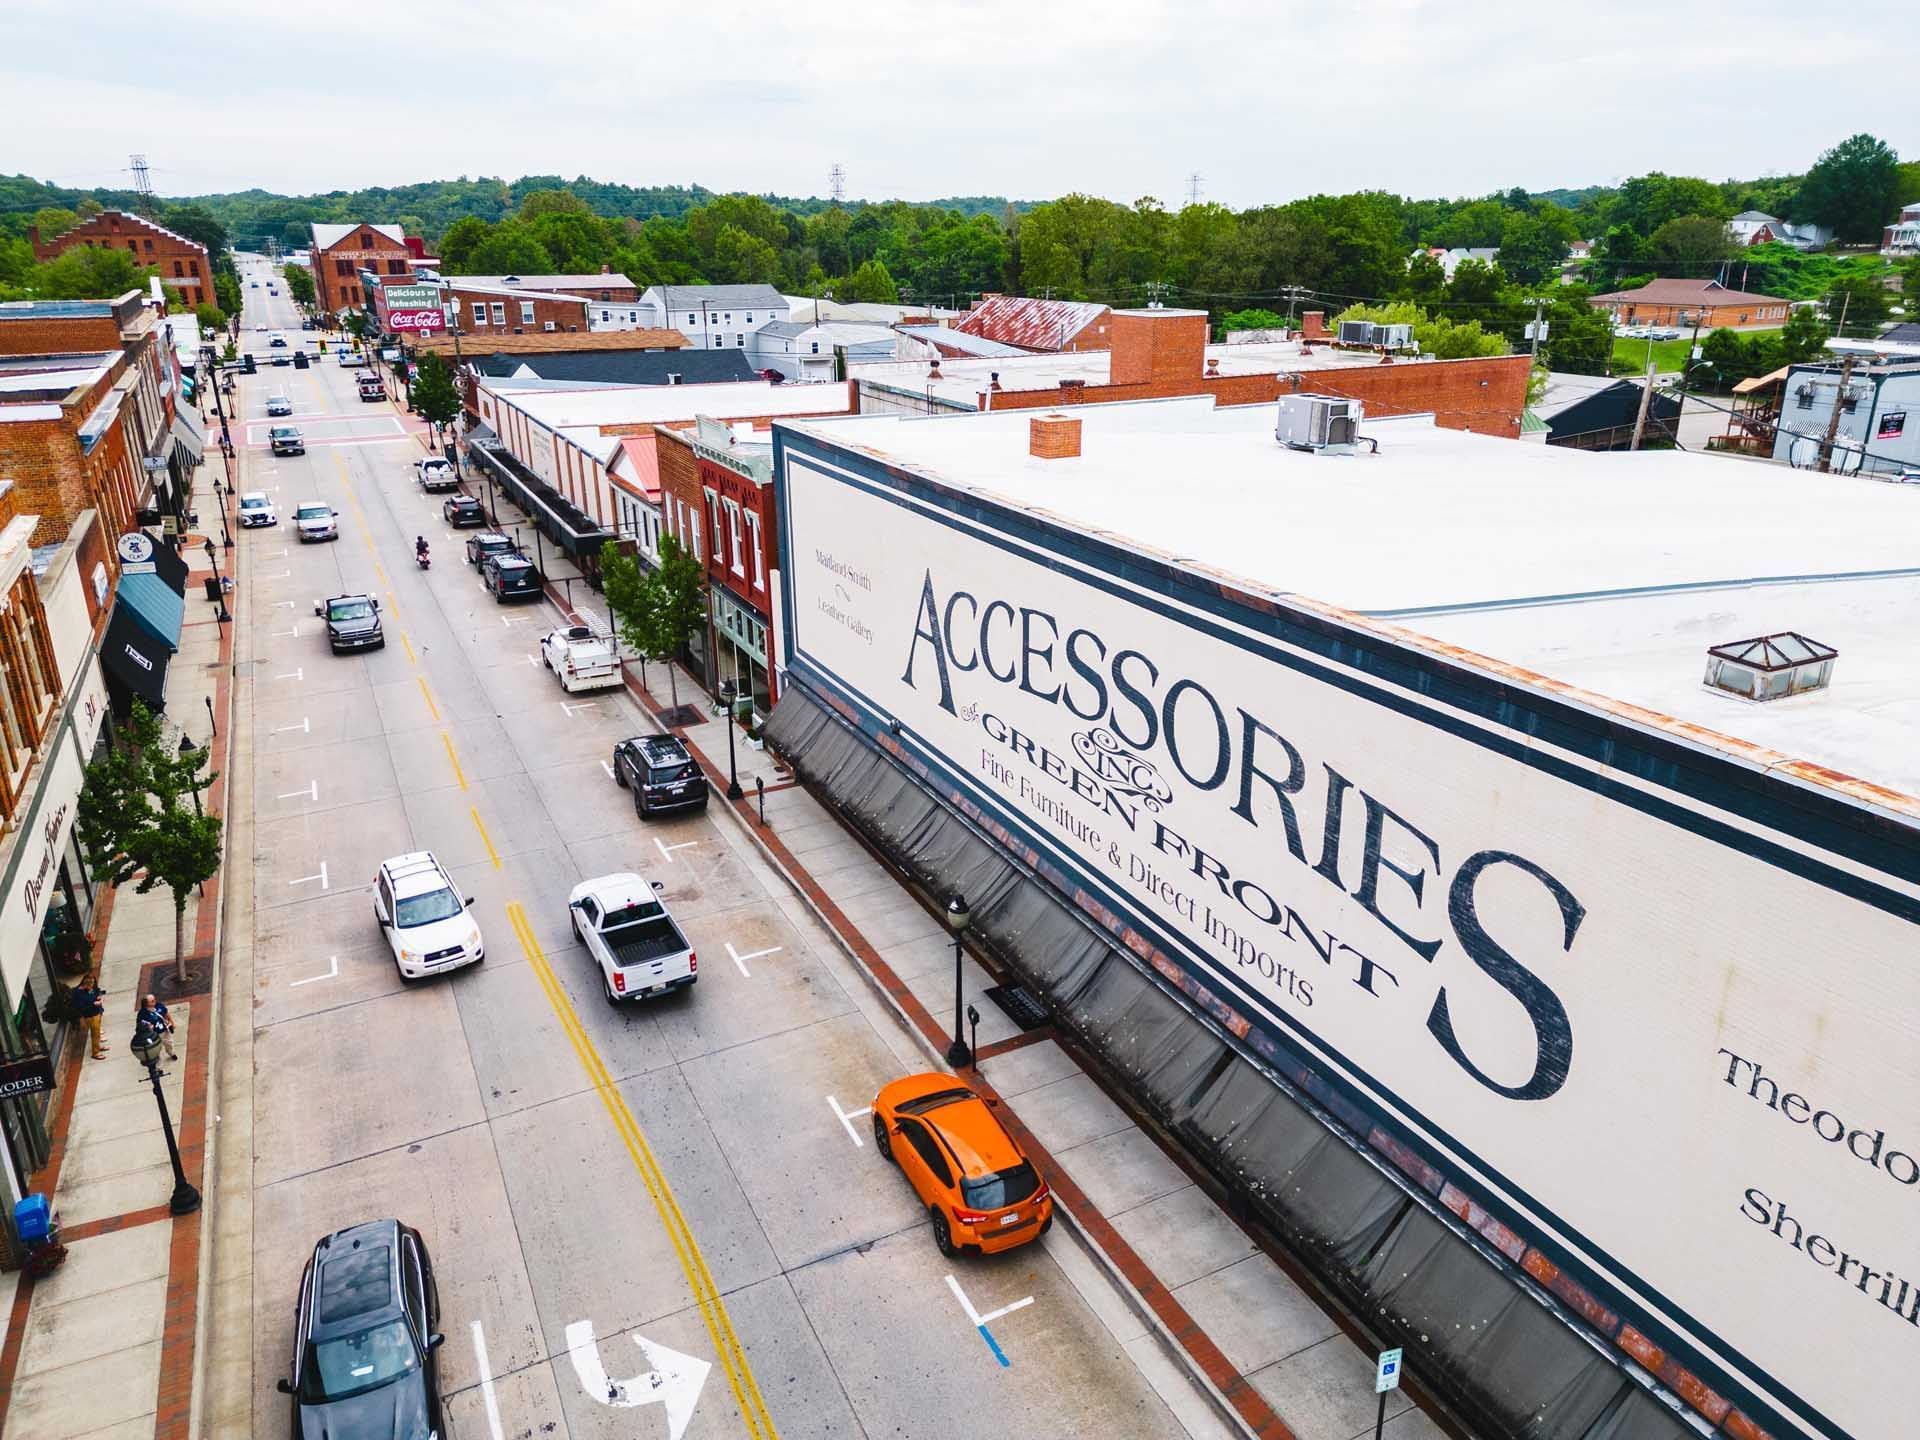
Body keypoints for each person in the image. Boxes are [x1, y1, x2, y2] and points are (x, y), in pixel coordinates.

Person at [70, 974, 107, 1059]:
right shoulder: (78, 993)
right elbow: (82, 1007)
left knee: (97, 1033)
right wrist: (93, 1004)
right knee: (95, 1033)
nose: (92, 987)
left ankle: (98, 1046)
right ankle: (95, 1053)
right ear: (86, 983)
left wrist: (98, 998)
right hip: (90, 1016)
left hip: (96, 1013)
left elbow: (94, 994)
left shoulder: (90, 989)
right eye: (91, 985)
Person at [137, 993, 177, 1061]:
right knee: (157, 1049)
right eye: (152, 1001)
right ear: (146, 1003)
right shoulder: (142, 1014)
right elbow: (140, 1025)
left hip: (164, 1030)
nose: (155, 1001)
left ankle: (171, 1053)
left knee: (169, 1043)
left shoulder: (159, 1006)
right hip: (154, 1034)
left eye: (154, 999)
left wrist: (172, 1022)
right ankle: (158, 1063)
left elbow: (166, 1013)